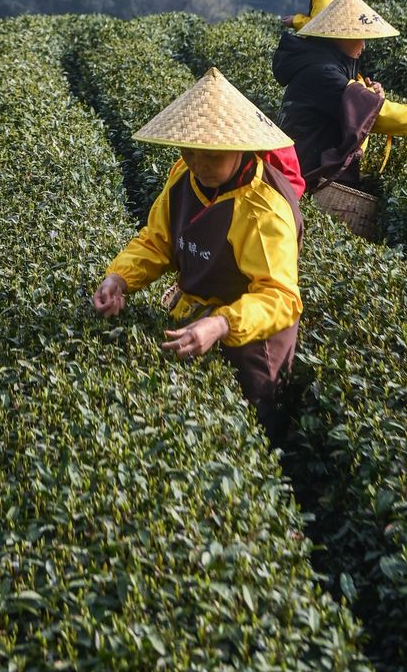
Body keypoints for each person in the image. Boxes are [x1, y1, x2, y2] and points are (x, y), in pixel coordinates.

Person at [91, 67, 303, 443]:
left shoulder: (263, 208)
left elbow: (280, 297)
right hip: (196, 318)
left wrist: (222, 324)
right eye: (189, 152)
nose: (198, 164)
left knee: (253, 431)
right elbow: (157, 241)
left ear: (239, 148)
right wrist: (119, 278)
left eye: (210, 156)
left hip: (254, 341)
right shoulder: (182, 178)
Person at [272, 0, 407, 193]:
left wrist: (365, 92)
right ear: (342, 36)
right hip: (305, 174)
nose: (364, 45)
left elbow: (349, 95)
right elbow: (378, 116)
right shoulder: (323, 73)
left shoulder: (320, 61)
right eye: (360, 37)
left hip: (303, 163)